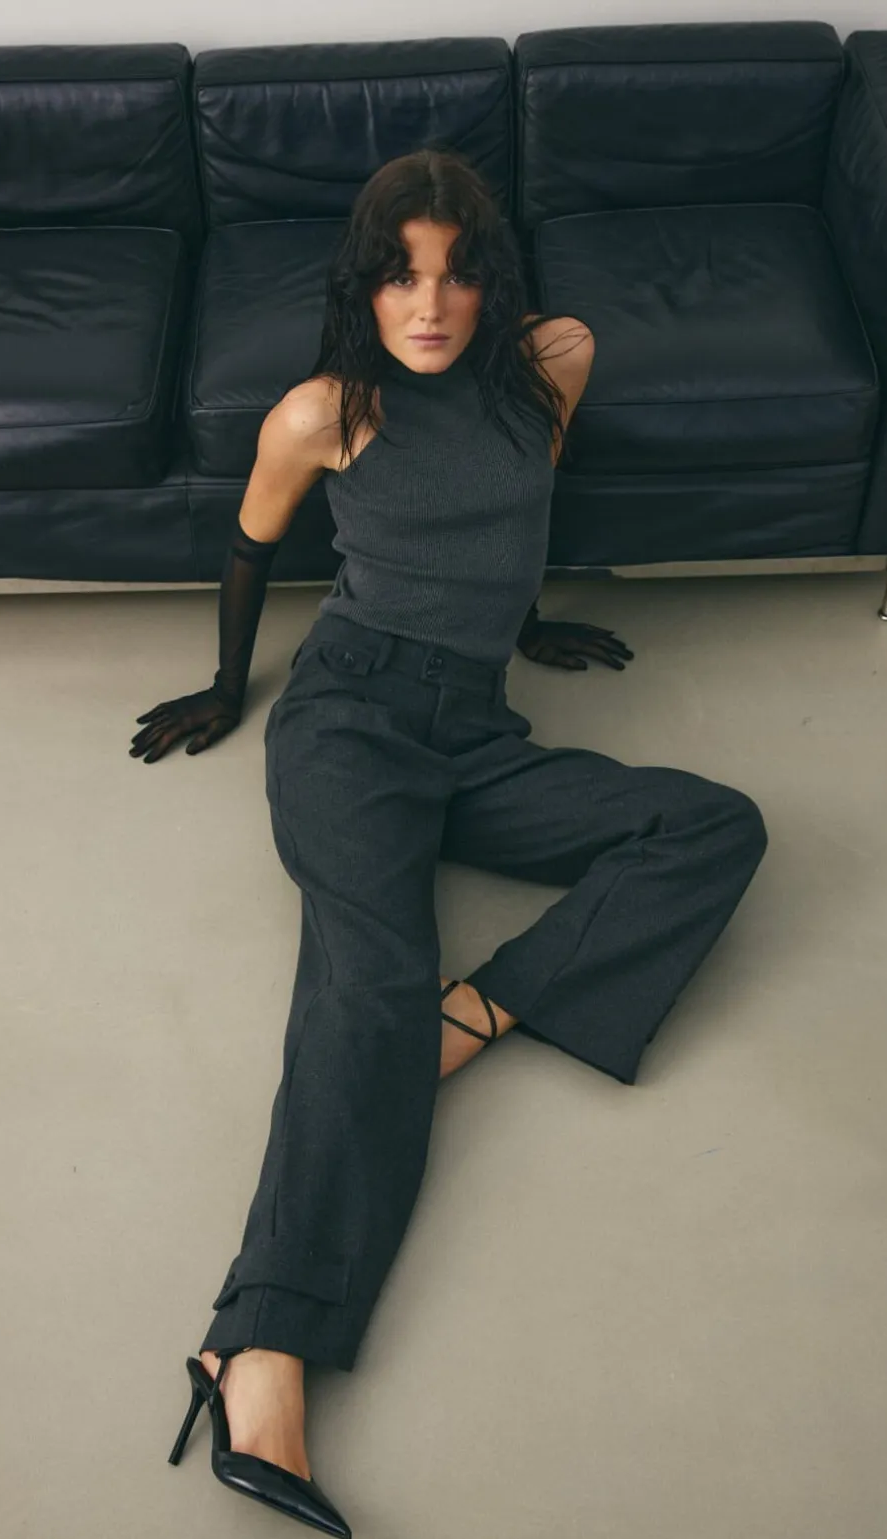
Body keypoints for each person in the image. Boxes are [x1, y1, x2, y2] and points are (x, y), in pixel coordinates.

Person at [130, 148, 768, 1537]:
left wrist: (526, 625)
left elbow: (516, 506)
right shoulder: (325, 410)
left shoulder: (552, 363)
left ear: (493, 280)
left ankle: (469, 1018)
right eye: (400, 275)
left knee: (711, 823)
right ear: (363, 285)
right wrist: (231, 689)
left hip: (476, 731)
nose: (429, 304)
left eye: (457, 272)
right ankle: (259, 1344)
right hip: (349, 723)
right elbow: (252, 545)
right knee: (361, 982)